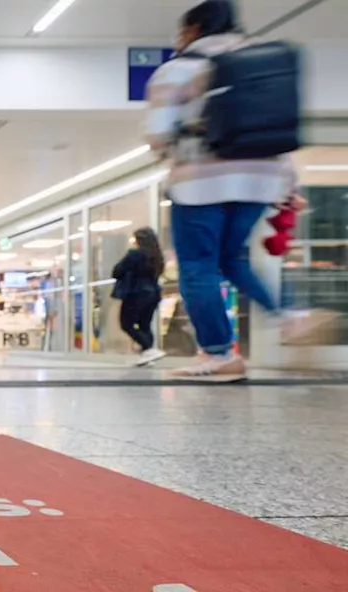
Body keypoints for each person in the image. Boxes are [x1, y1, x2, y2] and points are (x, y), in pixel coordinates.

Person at [146, 0, 317, 378]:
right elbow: (277, 132)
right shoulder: (264, 67)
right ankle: (290, 312)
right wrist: (290, 185)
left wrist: (169, 146)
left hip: (201, 183)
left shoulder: (177, 71)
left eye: (180, 32)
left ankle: (219, 353)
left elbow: (158, 134)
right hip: (262, 181)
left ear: (193, 30)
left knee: (197, 266)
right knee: (233, 259)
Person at [112, 228, 168, 367]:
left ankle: (149, 349)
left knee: (126, 324)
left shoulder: (134, 255)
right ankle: (147, 356)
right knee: (144, 325)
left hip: (135, 293)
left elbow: (117, 271)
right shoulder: (158, 257)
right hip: (153, 294)